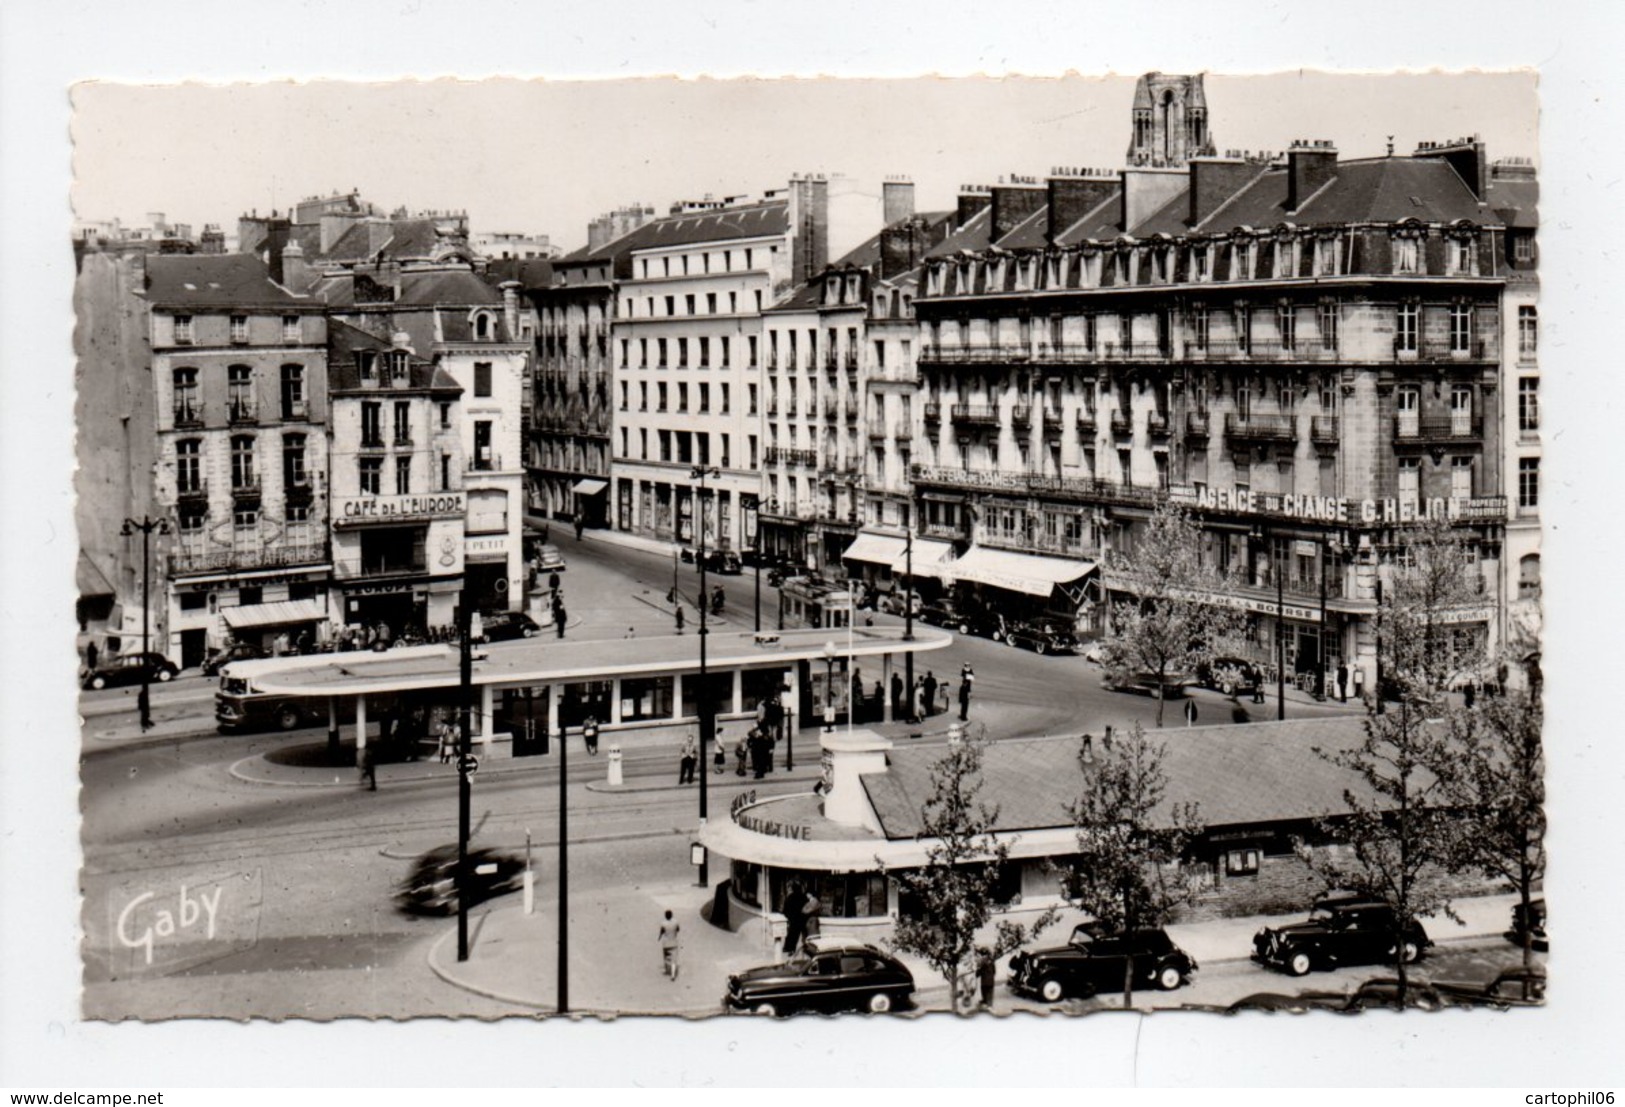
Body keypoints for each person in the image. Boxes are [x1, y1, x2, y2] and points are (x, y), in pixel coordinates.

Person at [780, 881, 806, 955]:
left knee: (790, 934)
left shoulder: (790, 897)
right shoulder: (803, 897)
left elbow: (785, 909)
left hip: (792, 919)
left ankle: (787, 948)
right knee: (796, 935)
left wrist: (787, 916)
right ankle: (792, 949)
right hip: (800, 919)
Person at [658, 909, 681, 980]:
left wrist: (659, 936)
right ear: (672, 915)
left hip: (666, 943)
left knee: (666, 957)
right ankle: (673, 975)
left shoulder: (663, 923)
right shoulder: (676, 922)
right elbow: (678, 929)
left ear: (665, 916)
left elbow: (661, 932)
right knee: (674, 960)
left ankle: (666, 970)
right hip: (674, 942)